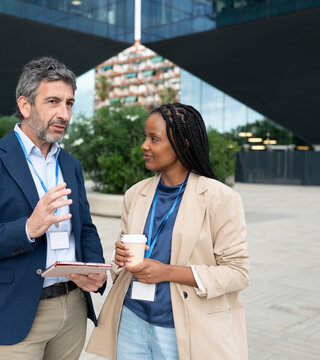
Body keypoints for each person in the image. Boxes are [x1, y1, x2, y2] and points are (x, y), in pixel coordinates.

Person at [0, 57, 107, 360]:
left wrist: (94, 268)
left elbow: (85, 227)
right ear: (25, 105)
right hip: (16, 312)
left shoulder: (71, 164)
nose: (64, 114)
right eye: (53, 102)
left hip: (73, 309)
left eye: (70, 103)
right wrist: (27, 229)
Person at [86, 103, 249, 360]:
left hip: (183, 327)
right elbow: (123, 262)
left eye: (154, 139)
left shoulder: (220, 198)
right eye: (145, 136)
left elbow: (238, 274)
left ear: (183, 144)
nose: (144, 145)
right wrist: (120, 260)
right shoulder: (135, 194)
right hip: (131, 320)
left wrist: (167, 273)